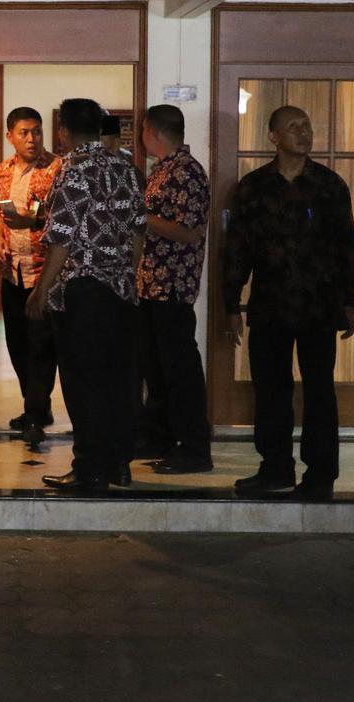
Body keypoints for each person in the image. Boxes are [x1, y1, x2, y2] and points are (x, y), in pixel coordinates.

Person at [222, 105, 354, 501]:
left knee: (320, 391)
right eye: (294, 127)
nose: (304, 133)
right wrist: (232, 304)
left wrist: (351, 299)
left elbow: (346, 246)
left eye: (307, 125)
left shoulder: (330, 185)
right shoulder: (253, 187)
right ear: (274, 138)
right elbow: (237, 250)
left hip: (319, 305)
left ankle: (320, 476)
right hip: (269, 306)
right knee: (270, 391)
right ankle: (275, 468)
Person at [26, 98, 145, 491]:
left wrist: (41, 290)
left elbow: (61, 238)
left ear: (63, 132)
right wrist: (127, 272)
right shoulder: (126, 168)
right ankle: (118, 465)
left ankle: (90, 468)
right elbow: (139, 229)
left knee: (84, 382)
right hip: (122, 291)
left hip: (84, 292)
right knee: (119, 379)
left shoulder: (73, 172)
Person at [136, 104, 213, 474]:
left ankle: (194, 446)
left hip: (172, 286)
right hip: (150, 284)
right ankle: (160, 436)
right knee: (157, 369)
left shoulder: (186, 173)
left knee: (180, 371)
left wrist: (141, 217)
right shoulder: (162, 170)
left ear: (153, 131)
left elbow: (189, 231)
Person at [0, 107, 62, 445]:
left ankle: (35, 413)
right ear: (10, 136)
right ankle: (36, 406)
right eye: (24, 133)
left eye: (36, 131)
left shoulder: (57, 169)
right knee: (17, 345)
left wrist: (32, 221)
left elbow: (64, 220)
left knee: (41, 347)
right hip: (11, 271)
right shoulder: (2, 172)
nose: (32, 139)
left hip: (43, 273)